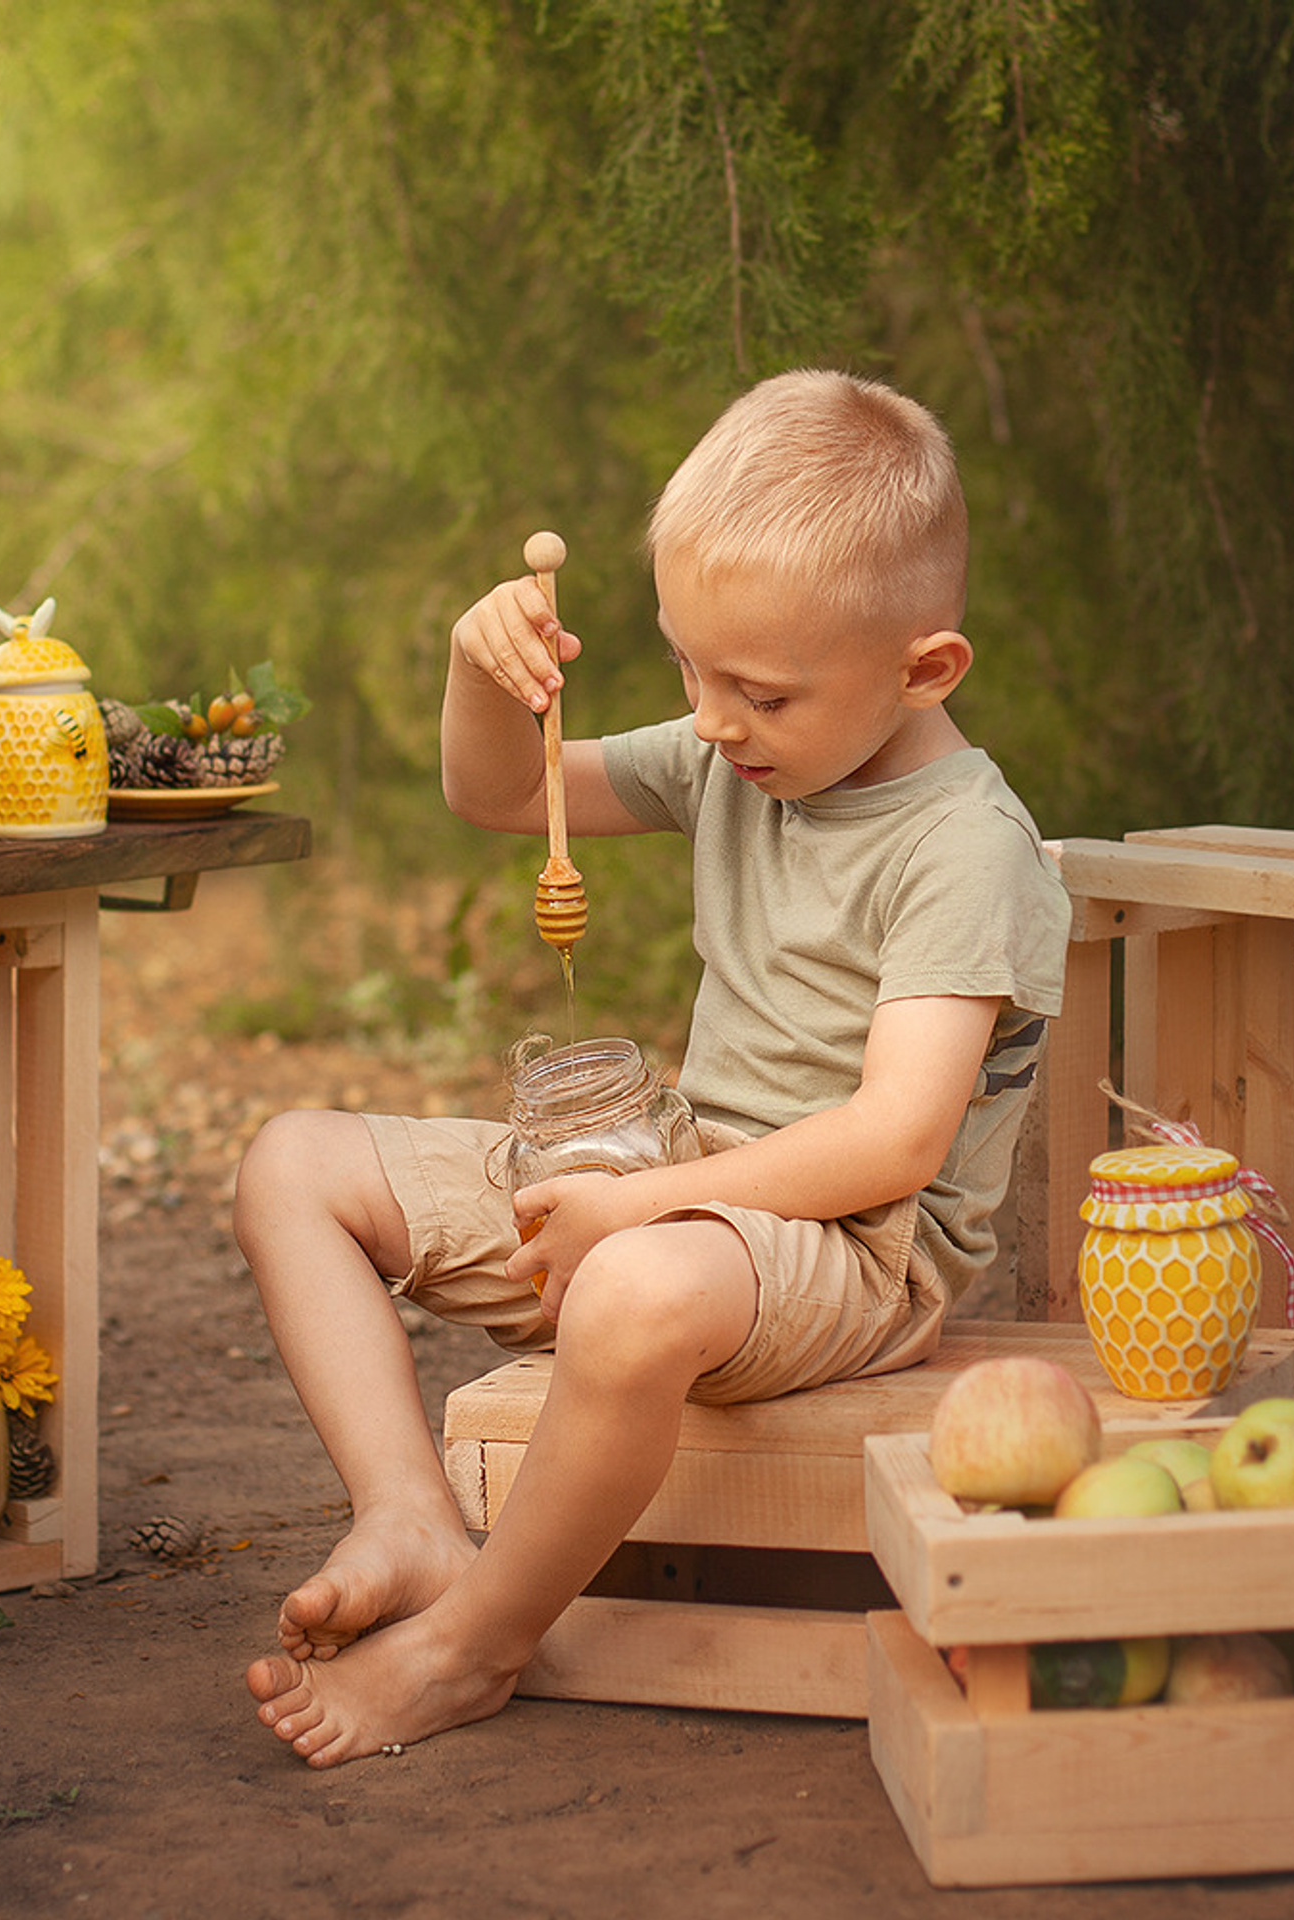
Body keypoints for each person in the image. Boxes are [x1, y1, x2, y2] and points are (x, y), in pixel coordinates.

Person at [235, 367, 1071, 1768]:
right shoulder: (741, 756)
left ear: (925, 669)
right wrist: (480, 671)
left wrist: (633, 1210)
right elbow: (503, 792)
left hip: (857, 1250)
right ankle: (410, 1519)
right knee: (292, 1167)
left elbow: (897, 1142)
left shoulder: (963, 851)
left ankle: (472, 1643)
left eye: (760, 691)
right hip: (689, 1186)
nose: (714, 720)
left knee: (631, 1283)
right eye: (690, 668)